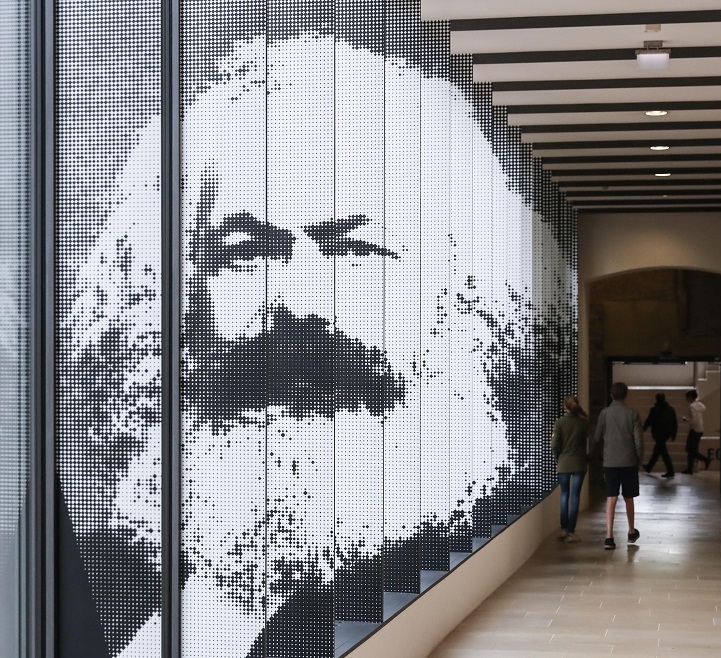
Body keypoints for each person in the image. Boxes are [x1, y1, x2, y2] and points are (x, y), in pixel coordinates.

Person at [55, 24, 570, 658]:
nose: (293, 300)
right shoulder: (95, 576)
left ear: (465, 297)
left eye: (354, 249)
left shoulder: (480, 531)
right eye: (246, 251)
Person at [593, 382, 642, 550]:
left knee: (611, 497)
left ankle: (609, 536)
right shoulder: (632, 413)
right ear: (625, 395)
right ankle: (631, 532)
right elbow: (638, 441)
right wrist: (639, 459)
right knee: (629, 497)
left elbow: (597, 436)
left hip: (610, 461)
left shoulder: (604, 413)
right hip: (629, 461)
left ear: (611, 395)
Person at [551, 395, 590, 543]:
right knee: (575, 496)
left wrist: (558, 459)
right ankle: (571, 532)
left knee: (564, 495)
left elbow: (554, 445)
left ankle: (563, 528)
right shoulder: (583, 423)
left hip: (564, 463)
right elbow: (590, 443)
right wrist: (588, 458)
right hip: (579, 463)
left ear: (565, 407)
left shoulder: (560, 422)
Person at [642, 393, 677, 478]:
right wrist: (673, 434)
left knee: (662, 451)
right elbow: (674, 422)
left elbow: (649, 420)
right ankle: (649, 466)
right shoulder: (670, 409)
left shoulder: (654, 409)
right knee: (659, 450)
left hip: (657, 433)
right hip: (666, 433)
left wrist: (644, 428)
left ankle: (669, 470)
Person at [682, 389, 710, 474]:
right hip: (700, 429)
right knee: (692, 449)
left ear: (690, 397)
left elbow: (694, 419)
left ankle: (704, 459)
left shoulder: (692, 406)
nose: (686, 399)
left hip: (694, 429)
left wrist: (687, 420)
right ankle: (690, 468)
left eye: (687, 397)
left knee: (690, 449)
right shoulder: (700, 405)